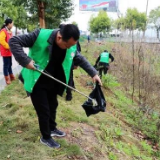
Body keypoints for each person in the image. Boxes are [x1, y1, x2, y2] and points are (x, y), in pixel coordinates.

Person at [9, 24, 102, 148]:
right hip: (37, 80)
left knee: (53, 105)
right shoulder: (39, 35)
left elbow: (79, 58)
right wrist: (25, 61)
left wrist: (94, 73)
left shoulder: (70, 45)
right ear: (59, 37)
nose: (69, 48)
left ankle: (52, 129)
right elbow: (13, 41)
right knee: (44, 110)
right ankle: (46, 137)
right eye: (67, 45)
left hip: (53, 81)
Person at [59, 24, 81, 101]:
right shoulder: (59, 39)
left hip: (69, 62)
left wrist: (76, 64)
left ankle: (69, 94)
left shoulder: (73, 40)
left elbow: (77, 52)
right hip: (60, 63)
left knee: (69, 78)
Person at [0, 18, 15, 85]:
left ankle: (11, 77)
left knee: (10, 65)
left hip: (9, 52)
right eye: (12, 23)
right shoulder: (3, 31)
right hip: (5, 51)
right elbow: (1, 41)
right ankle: (7, 79)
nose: (12, 25)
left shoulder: (9, 31)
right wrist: (9, 46)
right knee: (6, 65)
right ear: (9, 24)